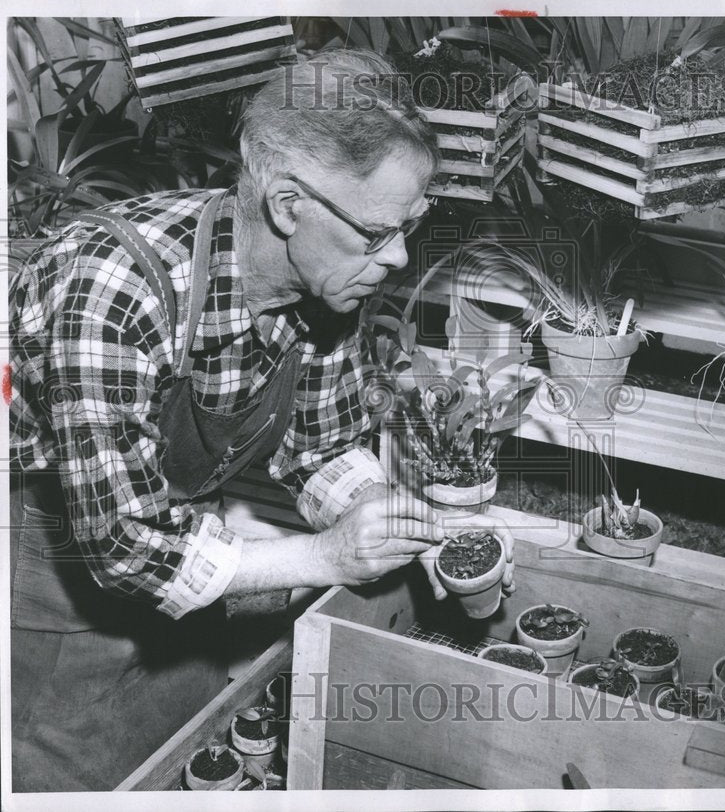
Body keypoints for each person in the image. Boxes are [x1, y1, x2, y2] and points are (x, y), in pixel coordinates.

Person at [8, 48, 515, 792]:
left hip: (185, 575)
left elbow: (321, 445)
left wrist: (390, 516)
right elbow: (125, 545)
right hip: (54, 593)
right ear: (287, 205)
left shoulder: (330, 274)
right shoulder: (116, 287)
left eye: (411, 224)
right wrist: (325, 558)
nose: (399, 257)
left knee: (188, 752)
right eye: (379, 232)